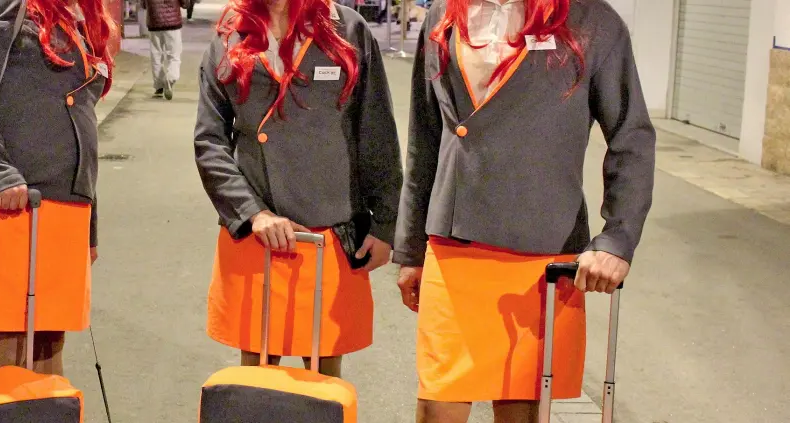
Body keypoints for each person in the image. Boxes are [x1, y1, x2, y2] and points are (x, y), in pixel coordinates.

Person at [394, 0, 656, 421]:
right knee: (437, 402)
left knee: (521, 407)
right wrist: (410, 248)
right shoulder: (443, 15)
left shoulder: (592, 21)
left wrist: (617, 239)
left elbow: (631, 138)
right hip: (454, 245)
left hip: (541, 248)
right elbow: (425, 139)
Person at [194, 0, 403, 377]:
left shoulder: (347, 28)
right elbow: (210, 141)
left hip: (330, 232)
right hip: (258, 233)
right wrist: (253, 213)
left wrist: (386, 222)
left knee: (324, 383)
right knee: (256, 378)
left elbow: (376, 132)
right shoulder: (231, 35)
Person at [0, 0, 115, 375]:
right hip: (16, 205)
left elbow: (80, 121)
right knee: (4, 351)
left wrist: (90, 224)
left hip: (68, 209)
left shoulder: (80, 14)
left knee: (49, 347)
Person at [143, 0, 184, 99]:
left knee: (156, 55)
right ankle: (170, 79)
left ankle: (159, 86)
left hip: (154, 22)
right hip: (173, 24)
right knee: (174, 55)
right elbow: (185, 3)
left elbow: (144, 4)